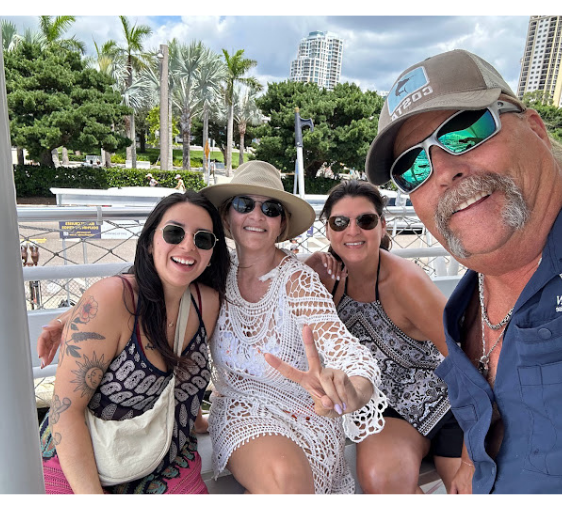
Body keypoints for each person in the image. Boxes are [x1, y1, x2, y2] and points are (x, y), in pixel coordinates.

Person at [365, 49, 562, 495]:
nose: (444, 170)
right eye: (413, 166)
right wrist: (474, 454)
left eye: (466, 131)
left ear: (535, 128)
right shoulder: (465, 306)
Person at [199, 160, 387, 495]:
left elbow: (344, 348)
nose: (257, 216)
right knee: (286, 479)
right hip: (242, 409)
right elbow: (155, 279)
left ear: (281, 223)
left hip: (310, 416)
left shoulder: (298, 282)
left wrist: (351, 392)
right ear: (227, 215)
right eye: (245, 205)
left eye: (270, 209)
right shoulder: (213, 273)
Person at [37, 191, 230, 495]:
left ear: (211, 254)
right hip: (85, 456)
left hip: (166, 456)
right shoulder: (112, 300)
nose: (188, 245)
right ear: (151, 239)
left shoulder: (206, 303)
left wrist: (199, 420)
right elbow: (66, 412)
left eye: (203, 239)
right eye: (174, 232)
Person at [305, 179, 468, 495]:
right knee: (382, 480)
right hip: (382, 407)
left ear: (382, 226)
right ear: (328, 230)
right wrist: (306, 267)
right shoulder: (326, 278)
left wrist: (474, 449)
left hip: (447, 404)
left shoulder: (404, 280)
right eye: (340, 222)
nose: (352, 231)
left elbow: (462, 357)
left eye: (364, 221)